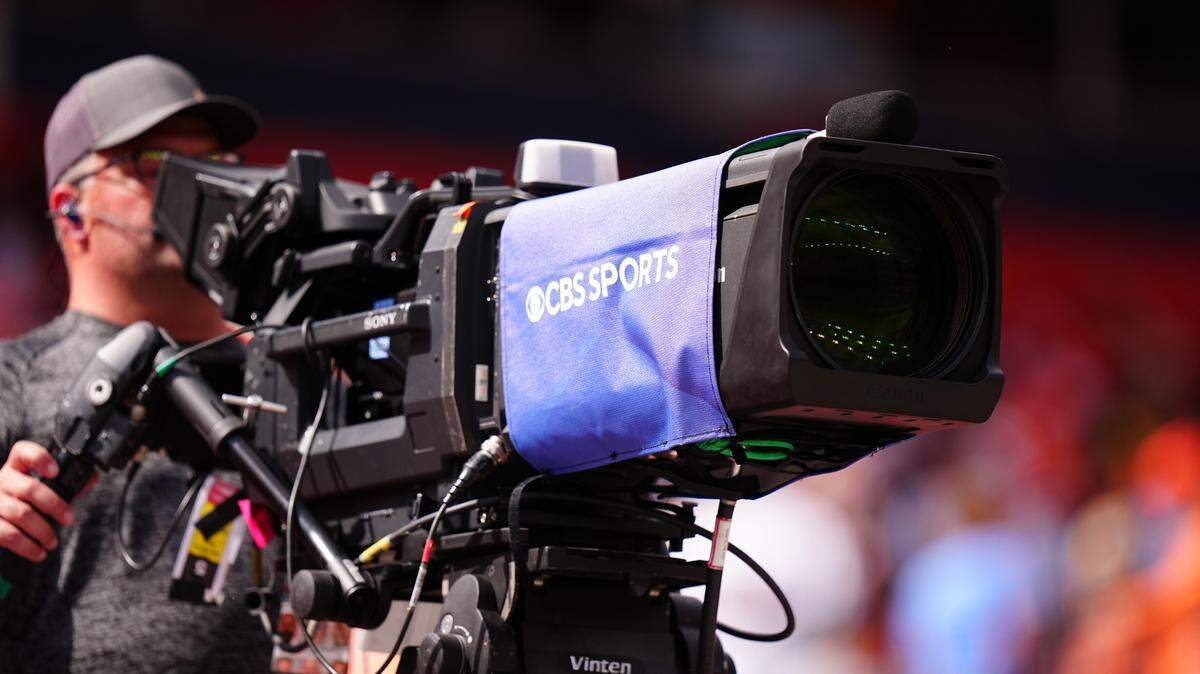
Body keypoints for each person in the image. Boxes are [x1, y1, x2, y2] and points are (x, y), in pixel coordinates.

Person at [0, 55, 272, 672]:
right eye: (154, 164)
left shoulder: (296, 384)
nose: (199, 186)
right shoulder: (13, 382)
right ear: (71, 209)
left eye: (217, 164)